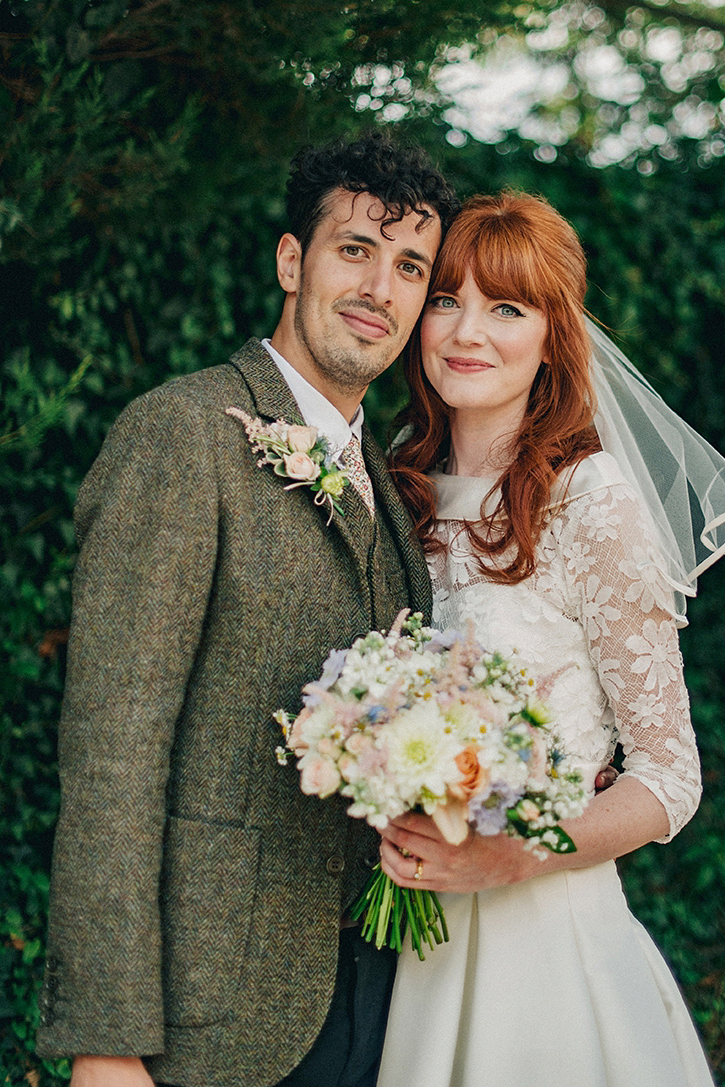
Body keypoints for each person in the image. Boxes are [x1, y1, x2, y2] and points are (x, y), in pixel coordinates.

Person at [36, 136, 461, 1087]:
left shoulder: (392, 483)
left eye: (409, 268)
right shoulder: (181, 434)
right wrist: (105, 1044)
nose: (379, 289)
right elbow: (113, 750)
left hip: (372, 993)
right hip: (207, 1013)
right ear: (290, 260)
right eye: (354, 249)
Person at [377, 191, 725, 1087]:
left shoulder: (592, 504)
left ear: (554, 335)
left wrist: (513, 853)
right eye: (445, 299)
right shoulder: (394, 480)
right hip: (402, 938)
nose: (465, 331)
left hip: (543, 943)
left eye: (505, 308)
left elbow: (671, 780)